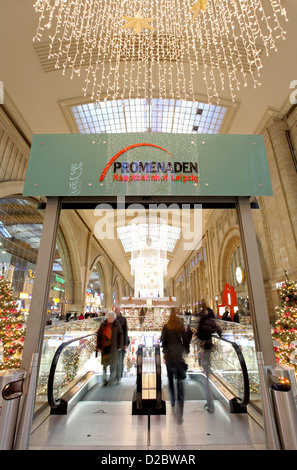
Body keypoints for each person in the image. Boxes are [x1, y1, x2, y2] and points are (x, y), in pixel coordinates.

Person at [160, 308, 189, 424]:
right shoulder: (180, 325)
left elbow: (163, 340)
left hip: (169, 354)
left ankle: (172, 399)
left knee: (170, 377)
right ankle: (180, 398)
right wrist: (186, 348)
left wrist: (165, 348)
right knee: (179, 377)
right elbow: (185, 339)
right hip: (178, 352)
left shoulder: (166, 326)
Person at [196, 313, 222, 413]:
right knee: (207, 360)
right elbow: (218, 329)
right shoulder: (211, 322)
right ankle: (207, 368)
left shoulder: (201, 322)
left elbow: (198, 333)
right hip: (208, 346)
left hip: (202, 347)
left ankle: (205, 369)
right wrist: (220, 336)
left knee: (204, 360)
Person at [96, 310, 123, 386]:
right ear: (106, 318)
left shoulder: (117, 325)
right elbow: (99, 336)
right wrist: (98, 346)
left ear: (114, 318)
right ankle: (104, 380)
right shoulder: (103, 325)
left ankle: (112, 381)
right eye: (109, 318)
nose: (110, 320)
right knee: (104, 365)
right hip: (105, 348)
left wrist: (119, 346)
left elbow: (120, 335)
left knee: (113, 365)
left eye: (112, 318)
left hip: (114, 348)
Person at [113, 303, 129, 383]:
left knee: (120, 361)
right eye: (114, 310)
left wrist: (125, 344)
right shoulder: (111, 319)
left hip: (122, 344)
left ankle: (119, 377)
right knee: (115, 361)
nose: (115, 311)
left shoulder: (123, 319)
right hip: (114, 344)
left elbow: (126, 332)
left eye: (116, 310)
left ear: (119, 310)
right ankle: (115, 376)